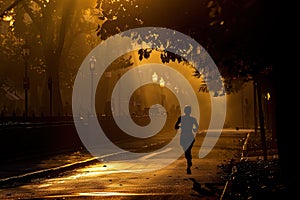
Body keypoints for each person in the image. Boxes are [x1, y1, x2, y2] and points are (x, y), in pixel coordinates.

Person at [175, 105, 199, 174]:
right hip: (190, 136)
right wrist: (194, 129)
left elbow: (175, 126)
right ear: (190, 112)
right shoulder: (193, 119)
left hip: (184, 137)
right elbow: (197, 127)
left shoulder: (181, 118)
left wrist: (179, 126)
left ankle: (189, 163)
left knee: (187, 151)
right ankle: (189, 161)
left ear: (185, 111)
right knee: (188, 151)